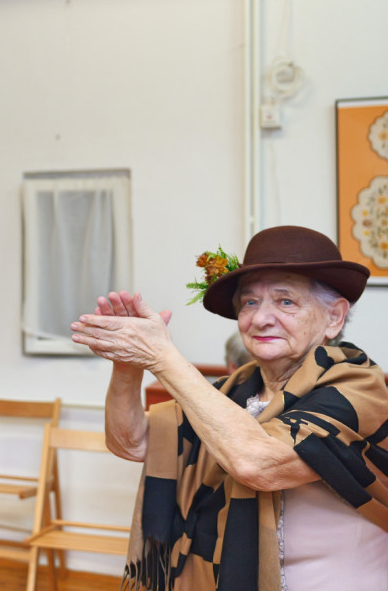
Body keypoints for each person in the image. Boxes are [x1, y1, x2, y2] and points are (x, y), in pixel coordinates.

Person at [69, 225, 388, 591]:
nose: (261, 318)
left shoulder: (358, 385)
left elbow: (256, 462)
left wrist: (162, 357)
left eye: (285, 301)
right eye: (250, 302)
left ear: (334, 317)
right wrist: (128, 367)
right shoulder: (234, 391)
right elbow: (131, 442)